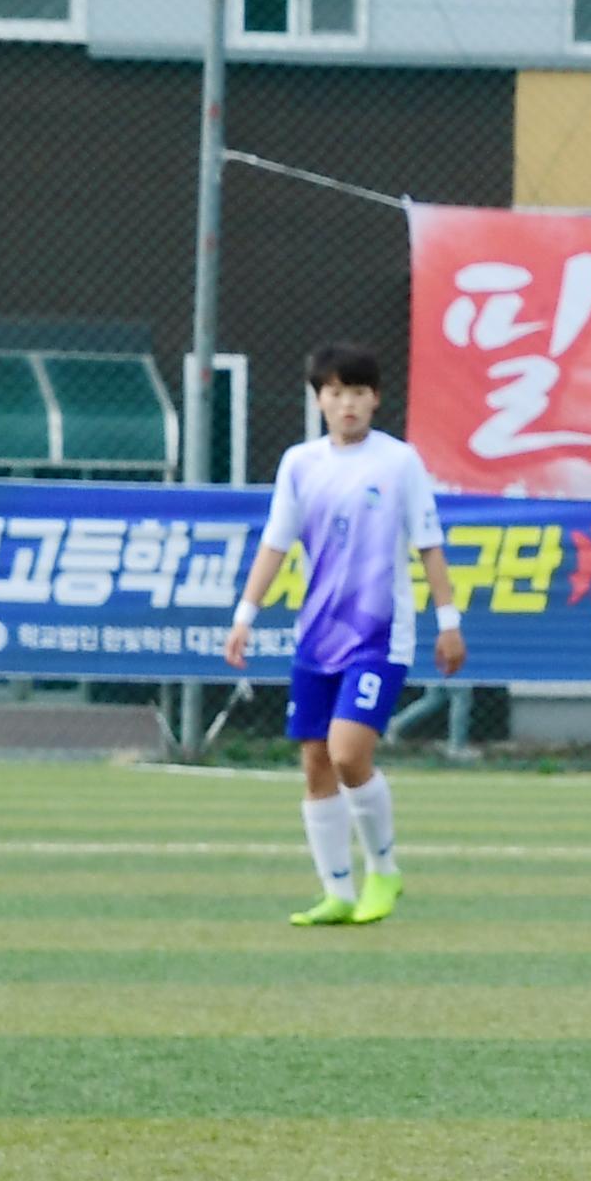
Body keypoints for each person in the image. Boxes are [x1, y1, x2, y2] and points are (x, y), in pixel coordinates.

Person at [223, 344, 464, 927]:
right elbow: (276, 544)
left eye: (357, 392)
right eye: (334, 393)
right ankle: (337, 891)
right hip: (316, 636)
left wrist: (449, 622)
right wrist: (245, 614)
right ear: (318, 400)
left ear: (376, 397)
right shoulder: (300, 463)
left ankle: (384, 869)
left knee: (349, 753)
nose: (346, 404)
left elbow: (428, 544)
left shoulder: (399, 461)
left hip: (380, 638)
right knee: (315, 764)